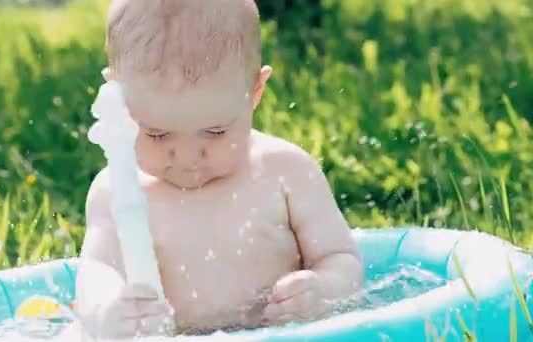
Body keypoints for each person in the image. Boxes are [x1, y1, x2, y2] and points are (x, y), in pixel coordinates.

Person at [75, 0, 363, 338]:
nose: (186, 158)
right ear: (115, 96)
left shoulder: (286, 172)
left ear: (255, 91)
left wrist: (324, 291)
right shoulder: (117, 191)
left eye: (215, 132)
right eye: (156, 133)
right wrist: (106, 310)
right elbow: (95, 272)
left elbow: (341, 258)